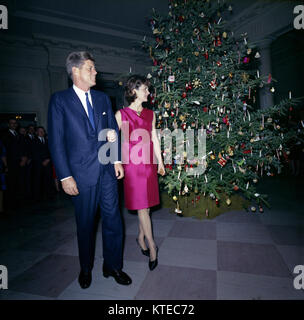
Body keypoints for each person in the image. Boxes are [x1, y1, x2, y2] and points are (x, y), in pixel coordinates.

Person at [48, 51, 132, 289]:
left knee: (114, 220)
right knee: (85, 224)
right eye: (90, 68)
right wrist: (64, 176)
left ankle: (113, 265)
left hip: (106, 171)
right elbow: (56, 141)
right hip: (81, 174)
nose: (96, 72)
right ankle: (86, 268)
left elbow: (110, 132)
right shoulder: (60, 100)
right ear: (75, 71)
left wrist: (116, 160)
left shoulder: (103, 99)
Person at [114, 75, 165, 271]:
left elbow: (154, 139)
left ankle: (140, 237)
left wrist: (160, 162)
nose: (148, 92)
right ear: (134, 91)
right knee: (142, 207)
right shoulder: (121, 115)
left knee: (147, 207)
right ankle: (152, 246)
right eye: (145, 89)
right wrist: (116, 161)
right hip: (133, 167)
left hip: (149, 165)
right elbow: (112, 138)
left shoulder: (151, 114)